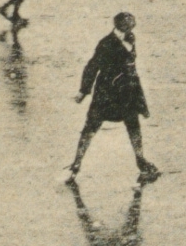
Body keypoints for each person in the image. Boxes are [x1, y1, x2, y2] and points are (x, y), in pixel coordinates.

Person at [67, 12, 159, 182]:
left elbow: (130, 65)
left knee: (133, 125)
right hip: (108, 92)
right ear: (121, 25)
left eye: (133, 23)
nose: (133, 26)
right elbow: (92, 66)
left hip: (128, 91)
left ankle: (141, 160)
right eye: (129, 23)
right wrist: (83, 91)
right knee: (91, 126)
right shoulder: (106, 43)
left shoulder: (130, 38)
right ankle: (76, 163)